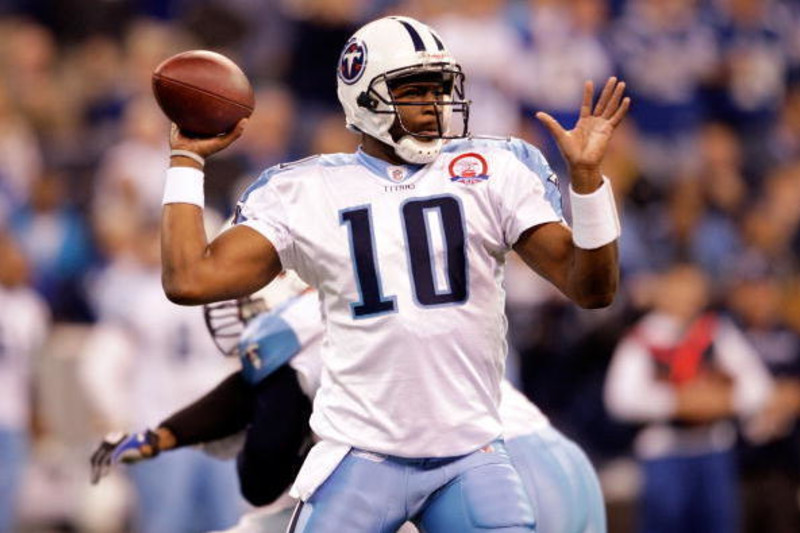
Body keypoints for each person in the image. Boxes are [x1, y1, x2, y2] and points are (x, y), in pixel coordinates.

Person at [159, 15, 628, 531]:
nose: (433, 105)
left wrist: (587, 182)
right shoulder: (307, 190)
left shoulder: (492, 171)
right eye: (413, 90)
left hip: (471, 456)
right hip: (362, 457)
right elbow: (189, 280)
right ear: (363, 97)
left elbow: (592, 288)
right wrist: (186, 159)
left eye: (440, 88)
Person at [91, 273, 607, 533]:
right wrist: (166, 435)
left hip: (479, 479)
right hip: (555, 459)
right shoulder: (351, 305)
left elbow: (261, 477)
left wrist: (269, 446)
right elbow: (249, 391)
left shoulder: (290, 335)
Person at [604, 263, 774, 533]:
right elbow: (619, 398)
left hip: (713, 449)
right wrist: (677, 402)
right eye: (679, 289)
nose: (687, 298)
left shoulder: (716, 332)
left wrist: (721, 401)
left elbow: (759, 386)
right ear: (664, 292)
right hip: (665, 451)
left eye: (693, 290)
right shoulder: (643, 338)